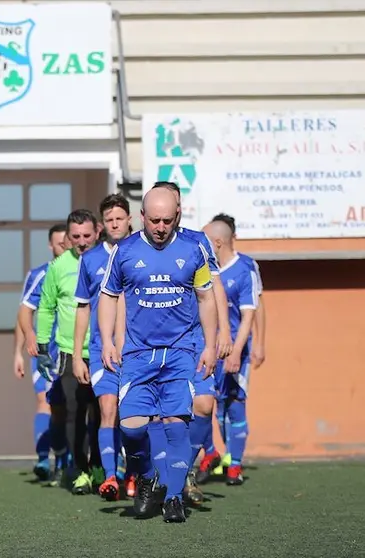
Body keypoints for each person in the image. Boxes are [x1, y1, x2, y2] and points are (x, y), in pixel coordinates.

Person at [98, 187, 218, 523]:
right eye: (154, 220)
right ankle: (149, 476)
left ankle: (174, 497)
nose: (161, 226)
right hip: (137, 354)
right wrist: (108, 340)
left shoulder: (194, 249)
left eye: (167, 220)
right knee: (132, 428)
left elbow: (206, 298)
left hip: (181, 351)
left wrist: (210, 344)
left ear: (177, 215)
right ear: (142, 218)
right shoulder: (124, 250)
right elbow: (108, 296)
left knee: (177, 424)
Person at [149, 181, 231, 503]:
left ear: (178, 208)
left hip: (197, 337)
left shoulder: (198, 242)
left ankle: (184, 472)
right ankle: (164, 476)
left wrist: (223, 331)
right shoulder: (140, 246)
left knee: (205, 405)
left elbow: (213, 288)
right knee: (160, 413)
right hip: (158, 342)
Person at [36, 209, 102, 495]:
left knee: (101, 412)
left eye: (87, 235)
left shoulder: (108, 261)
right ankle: (80, 469)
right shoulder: (59, 266)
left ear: (97, 232)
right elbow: (46, 306)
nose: (82, 241)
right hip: (68, 352)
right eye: (76, 237)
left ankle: (101, 466)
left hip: (103, 351)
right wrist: (41, 345)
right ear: (67, 237)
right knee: (74, 412)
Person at [72, 194, 133, 501]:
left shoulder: (141, 253)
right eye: (109, 220)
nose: (114, 224)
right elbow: (82, 308)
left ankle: (134, 474)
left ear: (130, 219)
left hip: (137, 349)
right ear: (102, 225)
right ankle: (110, 477)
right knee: (107, 410)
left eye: (119, 218)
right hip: (100, 349)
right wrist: (76, 355)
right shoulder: (91, 258)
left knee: (135, 417)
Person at [203, 217, 260, 485]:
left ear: (218, 242)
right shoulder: (206, 271)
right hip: (210, 350)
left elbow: (251, 314)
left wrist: (238, 351)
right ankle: (218, 454)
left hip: (236, 349)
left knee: (235, 405)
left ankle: (235, 465)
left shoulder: (245, 269)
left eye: (206, 241)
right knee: (213, 407)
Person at [14, 223, 67, 483]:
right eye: (59, 242)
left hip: (72, 351)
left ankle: (67, 458)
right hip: (45, 353)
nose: (64, 245)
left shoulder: (82, 271)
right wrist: (18, 352)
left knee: (66, 409)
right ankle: (43, 459)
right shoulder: (39, 274)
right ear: (50, 245)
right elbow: (24, 312)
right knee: (45, 402)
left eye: (67, 241)